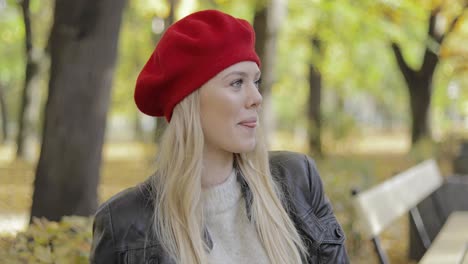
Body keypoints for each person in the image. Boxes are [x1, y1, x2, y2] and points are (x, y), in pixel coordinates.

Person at [90, 9, 349, 264]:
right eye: (237, 82)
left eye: (255, 82)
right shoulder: (124, 224)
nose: (256, 98)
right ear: (190, 102)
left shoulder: (297, 180)